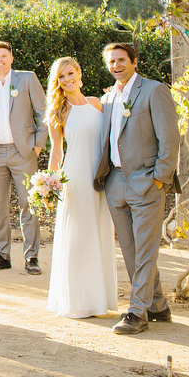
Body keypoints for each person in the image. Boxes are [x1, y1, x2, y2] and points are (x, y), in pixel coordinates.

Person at [94, 42, 181, 335]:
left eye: (121, 60)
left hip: (146, 182)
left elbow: (170, 139)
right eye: (111, 62)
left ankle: (136, 312)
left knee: (145, 250)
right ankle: (157, 305)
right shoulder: (108, 99)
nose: (116, 65)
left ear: (133, 62)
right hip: (115, 182)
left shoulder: (155, 91)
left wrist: (159, 178)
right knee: (131, 252)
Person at [45, 57, 118, 319]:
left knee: (99, 233)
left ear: (79, 72)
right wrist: (51, 183)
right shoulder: (58, 111)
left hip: (99, 177)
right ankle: (76, 301)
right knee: (78, 237)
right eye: (61, 77)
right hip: (74, 178)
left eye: (70, 73)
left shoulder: (98, 103)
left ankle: (99, 300)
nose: (67, 79)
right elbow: (56, 151)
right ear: (58, 82)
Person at [0, 41, 47, 274]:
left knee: (29, 204)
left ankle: (32, 257)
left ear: (11, 58)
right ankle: (1, 255)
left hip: (23, 152)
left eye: (3, 55)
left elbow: (43, 112)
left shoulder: (27, 79)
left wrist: (37, 147)